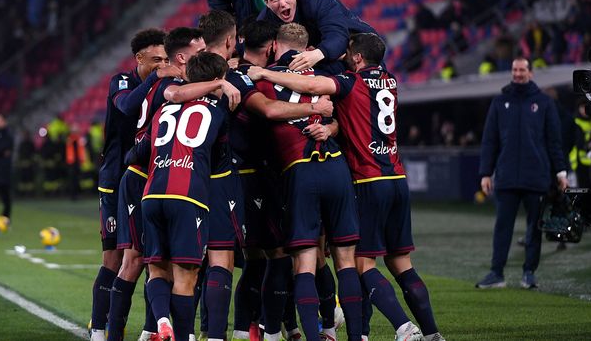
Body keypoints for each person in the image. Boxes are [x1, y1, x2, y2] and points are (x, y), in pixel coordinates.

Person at [249, 32, 445, 341]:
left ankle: (403, 329)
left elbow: (311, 88)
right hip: (394, 176)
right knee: (396, 262)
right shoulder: (391, 81)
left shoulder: (349, 81)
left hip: (366, 179)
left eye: (347, 52)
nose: (341, 54)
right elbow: (333, 106)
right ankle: (427, 334)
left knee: (350, 263)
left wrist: (263, 72)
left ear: (356, 58)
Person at [247, 23, 362, 341]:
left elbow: (269, 112)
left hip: (300, 170)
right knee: (344, 259)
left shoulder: (264, 77)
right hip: (336, 168)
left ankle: (311, 336)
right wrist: (329, 128)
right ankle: (352, 336)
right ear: (306, 47)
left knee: (304, 261)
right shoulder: (319, 78)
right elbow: (333, 117)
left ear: (273, 47)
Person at [141, 52, 233, 341]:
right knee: (185, 277)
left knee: (157, 269)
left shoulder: (163, 108)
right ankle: (180, 334)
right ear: (217, 80)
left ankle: (162, 320)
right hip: (188, 196)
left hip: (152, 193)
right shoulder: (218, 108)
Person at [90, 28, 169, 341]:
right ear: (139, 58)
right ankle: (99, 329)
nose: (161, 65)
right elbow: (125, 106)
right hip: (114, 181)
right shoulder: (123, 81)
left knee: (152, 258)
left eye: (165, 59)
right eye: (155, 59)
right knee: (114, 259)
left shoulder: (165, 86)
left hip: (146, 179)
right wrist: (153, 79)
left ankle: (150, 329)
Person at [477, 57, 569, 289]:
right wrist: (486, 173)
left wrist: (561, 172)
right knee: (502, 228)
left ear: (531, 73)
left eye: (522, 70)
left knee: (534, 228)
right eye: (515, 69)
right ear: (512, 72)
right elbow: (490, 141)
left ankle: (529, 273)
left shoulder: (544, 103)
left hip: (536, 176)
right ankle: (496, 273)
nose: (518, 74)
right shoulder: (500, 102)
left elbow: (554, 141)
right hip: (507, 177)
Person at [257, 0, 376, 73]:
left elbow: (338, 36)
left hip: (357, 45)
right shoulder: (264, 20)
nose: (283, 3)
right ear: (266, 3)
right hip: (322, 53)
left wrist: (317, 53)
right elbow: (254, 47)